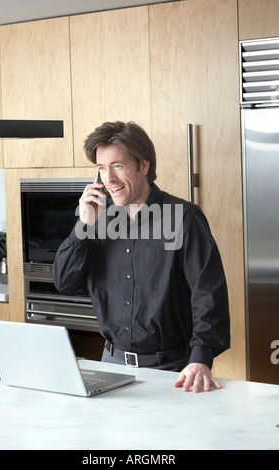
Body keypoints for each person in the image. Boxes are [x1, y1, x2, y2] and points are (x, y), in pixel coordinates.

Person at [53, 121, 230, 393]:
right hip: (110, 364)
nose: (108, 178)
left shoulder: (183, 218)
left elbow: (208, 294)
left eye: (118, 166)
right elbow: (64, 282)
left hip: (173, 372)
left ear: (143, 166)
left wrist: (200, 360)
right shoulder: (97, 218)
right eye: (101, 168)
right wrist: (83, 227)